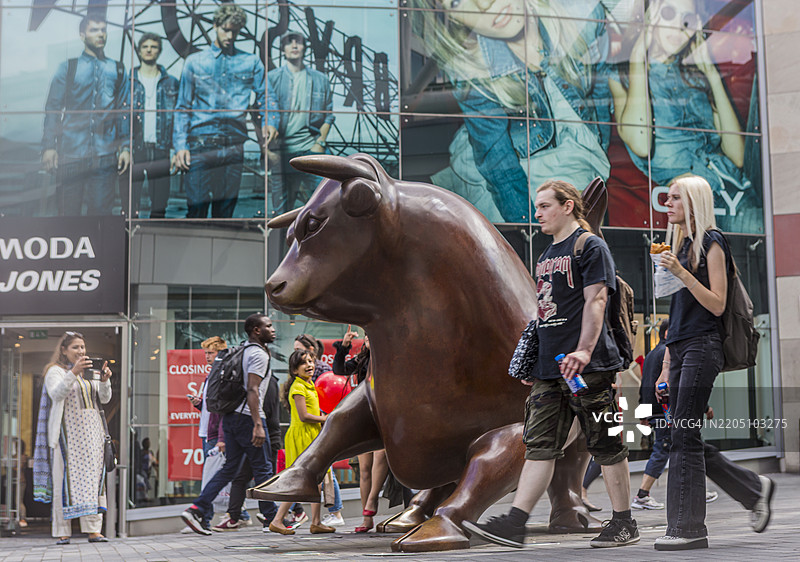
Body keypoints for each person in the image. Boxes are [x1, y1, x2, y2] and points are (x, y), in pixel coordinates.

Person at [463, 180, 637, 549]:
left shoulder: (590, 247)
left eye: (544, 206)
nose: (537, 213)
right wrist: (535, 362)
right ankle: (515, 523)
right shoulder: (545, 256)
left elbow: (596, 302)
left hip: (589, 368)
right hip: (550, 370)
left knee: (606, 445)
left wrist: (586, 351)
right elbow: (544, 314)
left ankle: (624, 522)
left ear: (569, 206)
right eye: (537, 206)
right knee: (539, 445)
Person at [653, 176, 774, 550]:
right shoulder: (681, 245)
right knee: (682, 433)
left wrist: (680, 272)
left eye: (675, 198)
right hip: (682, 348)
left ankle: (688, 529)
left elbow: (717, 304)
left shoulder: (711, 241)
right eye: (667, 197)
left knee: (682, 434)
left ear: (693, 203)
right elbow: (677, 315)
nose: (667, 204)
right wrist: (664, 366)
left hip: (704, 346)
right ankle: (754, 490)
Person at [409, 0, 614, 222]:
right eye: (456, 2)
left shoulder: (581, 18)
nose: (484, 5)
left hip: (572, 161)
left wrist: (598, 149)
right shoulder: (475, 71)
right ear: (455, 18)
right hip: (513, 171)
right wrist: (533, 235)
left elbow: (599, 95)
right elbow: (500, 169)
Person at [610, 0, 760, 233]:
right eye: (668, 13)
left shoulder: (695, 76)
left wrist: (711, 73)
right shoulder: (622, 75)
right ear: (650, 17)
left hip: (732, 192)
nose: (678, 27)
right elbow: (641, 143)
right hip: (688, 203)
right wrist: (638, 59)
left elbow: (738, 156)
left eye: (687, 20)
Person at [172, 4, 278, 218]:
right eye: (226, 29)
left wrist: (271, 121)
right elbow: (183, 107)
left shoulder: (250, 61)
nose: (231, 35)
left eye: (235, 31)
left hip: (233, 147)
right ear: (215, 26)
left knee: (225, 214)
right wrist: (180, 146)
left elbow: (267, 96)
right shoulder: (194, 62)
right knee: (196, 211)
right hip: (201, 146)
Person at [181, 314, 278, 535]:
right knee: (263, 468)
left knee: (229, 469)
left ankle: (197, 508)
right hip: (249, 418)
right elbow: (253, 390)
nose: (273, 330)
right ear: (256, 330)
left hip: (231, 418)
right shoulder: (258, 355)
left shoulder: (242, 350)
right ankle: (273, 519)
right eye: (268, 326)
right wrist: (258, 424)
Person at [41, 15, 130, 216]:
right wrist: (48, 147)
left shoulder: (118, 69)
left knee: (100, 215)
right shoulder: (68, 68)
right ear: (82, 35)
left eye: (103, 30)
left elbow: (124, 113)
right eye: (94, 30)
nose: (100, 34)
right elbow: (53, 109)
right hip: (70, 155)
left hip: (104, 156)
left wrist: (126, 147)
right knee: (67, 214)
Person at [32, 331, 113, 544]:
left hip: (92, 436)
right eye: (76, 347)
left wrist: (104, 381)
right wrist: (73, 373)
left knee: (94, 482)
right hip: (65, 437)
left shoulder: (90, 372)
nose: (81, 351)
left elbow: (103, 399)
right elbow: (56, 394)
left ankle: (94, 530)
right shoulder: (54, 371)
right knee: (63, 482)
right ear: (64, 350)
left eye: (83, 347)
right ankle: (62, 531)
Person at [268, 350, 335, 535]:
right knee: (299, 481)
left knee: (316, 480)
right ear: (295, 370)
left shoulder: (309, 385)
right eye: (304, 363)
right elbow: (304, 416)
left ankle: (315, 522)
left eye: (311, 361)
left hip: (312, 435)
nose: (309, 365)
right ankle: (277, 520)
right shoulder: (298, 387)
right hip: (302, 435)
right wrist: (326, 419)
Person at [268, 30, 335, 215]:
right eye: (289, 43)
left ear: (305, 48)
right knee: (282, 213)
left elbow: (328, 114)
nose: (294, 46)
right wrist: (267, 150)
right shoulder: (272, 78)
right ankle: (284, 245)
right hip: (282, 154)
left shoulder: (320, 79)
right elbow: (262, 116)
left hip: (311, 150)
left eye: (298, 42)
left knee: (323, 209)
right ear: (283, 50)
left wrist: (319, 143)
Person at [333, 326, 388, 533]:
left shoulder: (389, 357)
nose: (368, 338)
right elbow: (339, 370)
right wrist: (344, 346)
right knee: (364, 469)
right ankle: (367, 520)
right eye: (366, 335)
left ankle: (371, 502)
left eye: (371, 335)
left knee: (381, 456)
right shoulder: (363, 359)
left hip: (386, 414)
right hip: (366, 414)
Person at [292, 333, 344, 527]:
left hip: (315, 429)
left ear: (310, 351)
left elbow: (319, 402)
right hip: (312, 428)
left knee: (320, 474)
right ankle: (304, 516)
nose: (309, 366)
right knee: (314, 474)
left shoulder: (315, 375)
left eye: (299, 350)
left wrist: (325, 418)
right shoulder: (302, 382)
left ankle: (328, 514)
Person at [130, 32, 179, 218]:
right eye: (145, 46)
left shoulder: (172, 83)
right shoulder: (128, 81)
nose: (149, 50)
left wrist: (175, 149)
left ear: (159, 51)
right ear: (139, 51)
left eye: (154, 47)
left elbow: (178, 119)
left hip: (161, 149)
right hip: (136, 149)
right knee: (131, 203)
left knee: (159, 204)